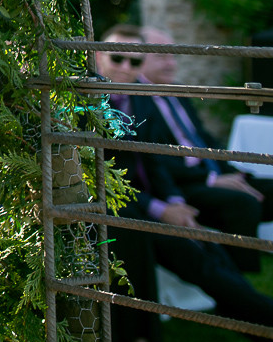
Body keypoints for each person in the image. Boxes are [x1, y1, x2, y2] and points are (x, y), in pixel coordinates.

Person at [104, 24, 273, 272]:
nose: (171, 64)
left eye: (173, 56)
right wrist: (211, 180)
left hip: (206, 175)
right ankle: (241, 276)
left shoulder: (178, 92)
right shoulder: (134, 101)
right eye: (162, 56)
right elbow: (155, 160)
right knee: (242, 204)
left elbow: (202, 138)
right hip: (182, 184)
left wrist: (227, 172)